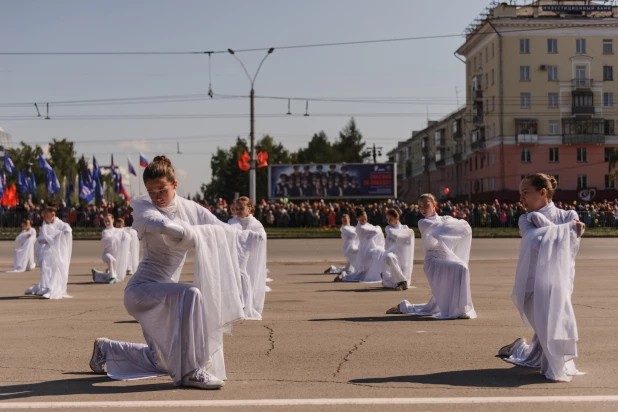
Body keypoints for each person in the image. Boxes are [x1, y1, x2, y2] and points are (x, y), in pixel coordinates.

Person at [88, 156, 266, 390]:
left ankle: (106, 349)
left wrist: (254, 234)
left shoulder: (190, 209)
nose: (157, 196)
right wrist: (192, 233)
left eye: (162, 189)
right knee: (192, 294)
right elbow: (159, 225)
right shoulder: (144, 207)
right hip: (142, 291)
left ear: (175, 185)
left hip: (166, 295)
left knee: (160, 361)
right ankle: (191, 371)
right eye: (152, 191)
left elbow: (225, 231)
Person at [497, 174, 585, 382]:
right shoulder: (525, 219)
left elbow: (570, 246)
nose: (521, 198)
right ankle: (553, 365)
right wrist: (567, 230)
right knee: (549, 328)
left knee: (552, 327)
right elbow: (535, 241)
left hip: (559, 283)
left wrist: (555, 227)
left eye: (525, 193)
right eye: (520, 194)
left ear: (542, 192)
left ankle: (520, 347)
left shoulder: (567, 214)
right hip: (532, 285)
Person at [386, 194, 476, 319]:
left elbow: (463, 226)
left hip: (445, 258)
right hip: (433, 261)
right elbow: (446, 228)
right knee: (462, 268)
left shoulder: (444, 219)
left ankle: (461, 308)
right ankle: (462, 309)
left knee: (458, 274)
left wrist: (454, 225)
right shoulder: (423, 222)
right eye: (420, 206)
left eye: (426, 205)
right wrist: (453, 224)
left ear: (434, 205)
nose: (422, 209)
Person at [24, 202, 73, 299]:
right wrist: (47, 239)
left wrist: (56, 237)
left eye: (46, 216)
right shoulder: (45, 224)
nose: (44, 218)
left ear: (53, 214)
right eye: (43, 216)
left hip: (58, 252)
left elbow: (68, 231)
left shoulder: (61, 224)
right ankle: (45, 286)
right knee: (44, 263)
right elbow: (41, 239)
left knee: (55, 267)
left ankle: (51, 288)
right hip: (47, 251)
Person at [227, 196, 271, 299]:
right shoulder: (231, 222)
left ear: (249, 208)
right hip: (236, 258)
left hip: (250, 258)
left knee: (249, 281)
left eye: (241, 208)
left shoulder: (256, 224)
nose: (238, 211)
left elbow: (262, 237)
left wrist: (248, 236)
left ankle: (248, 302)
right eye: (236, 209)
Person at [334, 210, 384, 283]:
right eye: (361, 220)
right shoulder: (360, 228)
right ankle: (344, 276)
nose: (364, 221)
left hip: (370, 250)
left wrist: (377, 228)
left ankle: (381, 274)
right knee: (361, 274)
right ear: (358, 219)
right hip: (365, 252)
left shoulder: (367, 225)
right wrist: (378, 227)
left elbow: (374, 230)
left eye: (365, 219)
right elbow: (376, 231)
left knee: (363, 272)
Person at [91, 214, 132, 284]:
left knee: (113, 268)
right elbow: (109, 240)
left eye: (108, 221)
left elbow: (125, 234)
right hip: (106, 254)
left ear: (113, 220)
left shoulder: (117, 230)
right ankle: (112, 277)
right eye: (105, 221)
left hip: (115, 254)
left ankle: (97, 275)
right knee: (111, 259)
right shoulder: (105, 232)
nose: (107, 223)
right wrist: (117, 237)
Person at [381, 209, 414, 291]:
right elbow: (394, 235)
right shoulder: (388, 228)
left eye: (391, 219)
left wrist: (404, 234)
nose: (388, 221)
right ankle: (401, 281)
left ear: (397, 218)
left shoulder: (405, 227)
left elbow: (410, 235)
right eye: (387, 219)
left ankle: (401, 281)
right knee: (389, 257)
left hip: (403, 255)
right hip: (392, 254)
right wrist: (404, 234)